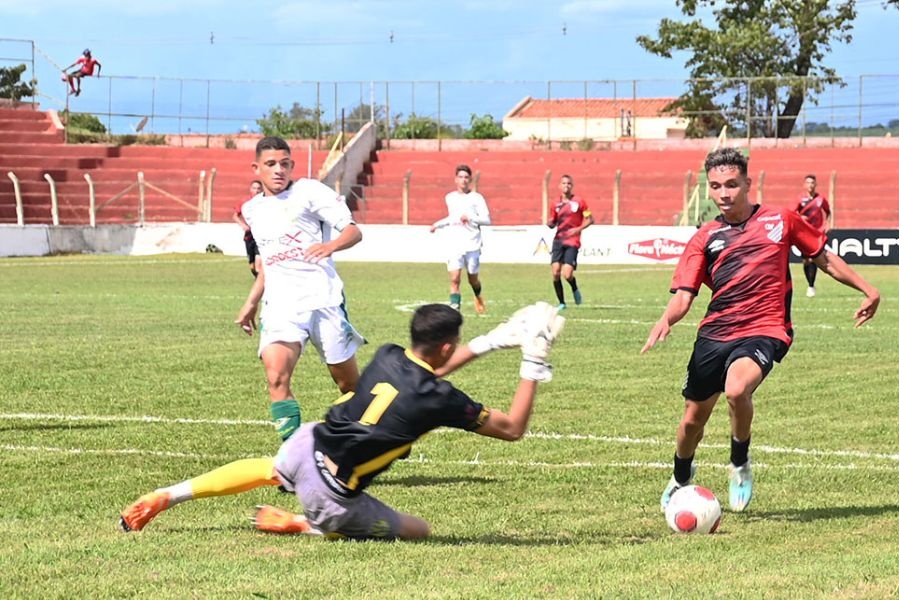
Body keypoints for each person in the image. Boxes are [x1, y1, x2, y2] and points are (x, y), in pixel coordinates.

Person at [120, 302, 565, 541]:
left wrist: (492, 341)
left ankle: (170, 494)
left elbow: (434, 369)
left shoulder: (391, 354)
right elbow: (513, 429)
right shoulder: (440, 400)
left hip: (306, 444)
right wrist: (532, 360)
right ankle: (309, 524)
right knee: (417, 529)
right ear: (448, 347)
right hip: (330, 495)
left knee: (269, 468)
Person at [641, 148, 880, 514]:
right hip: (715, 334)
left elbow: (824, 259)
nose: (724, 193)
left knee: (737, 389)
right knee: (692, 421)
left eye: (732, 184)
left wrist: (868, 289)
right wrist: (666, 319)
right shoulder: (704, 237)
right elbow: (684, 296)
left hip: (766, 328)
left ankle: (739, 462)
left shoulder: (781, 221)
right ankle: (680, 478)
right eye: (716, 186)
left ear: (748, 183)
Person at [235, 136, 364, 442]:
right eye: (271, 164)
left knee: (348, 386)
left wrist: (330, 245)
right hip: (281, 306)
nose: (279, 170)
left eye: (285, 164)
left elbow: (354, 231)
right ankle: (291, 462)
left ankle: (381, 430)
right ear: (256, 168)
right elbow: (268, 263)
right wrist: (251, 302)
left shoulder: (308, 192)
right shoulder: (252, 210)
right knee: (276, 376)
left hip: (323, 300)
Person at [429, 164, 491, 314]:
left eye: (466, 177)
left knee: (472, 279)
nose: (463, 180)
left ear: (470, 180)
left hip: (472, 244)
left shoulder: (477, 198)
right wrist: (437, 224)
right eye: (460, 177)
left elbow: (487, 220)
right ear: (455, 179)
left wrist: (470, 217)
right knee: (455, 278)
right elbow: (452, 218)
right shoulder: (450, 198)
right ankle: (455, 309)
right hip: (454, 244)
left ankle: (477, 295)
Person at [547, 174, 594, 310]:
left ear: (571, 186)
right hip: (558, 240)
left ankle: (574, 287)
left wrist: (578, 229)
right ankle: (562, 303)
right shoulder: (555, 204)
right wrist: (550, 223)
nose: (566, 186)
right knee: (555, 272)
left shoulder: (579, 202)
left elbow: (590, 219)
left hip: (572, 241)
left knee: (567, 274)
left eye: (568, 183)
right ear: (559, 186)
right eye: (563, 183)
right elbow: (553, 222)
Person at [790, 174, 832, 297]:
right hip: (804, 233)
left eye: (812, 183)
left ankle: (811, 285)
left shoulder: (821, 199)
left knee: (814, 258)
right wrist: (799, 217)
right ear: (804, 185)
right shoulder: (800, 199)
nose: (810, 185)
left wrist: (827, 224)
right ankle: (810, 283)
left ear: (816, 185)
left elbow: (828, 211)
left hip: (817, 233)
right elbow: (792, 213)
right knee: (806, 260)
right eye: (808, 183)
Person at [234, 180, 264, 278]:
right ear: (250, 189)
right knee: (252, 266)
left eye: (259, 188)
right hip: (249, 237)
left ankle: (262, 286)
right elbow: (235, 216)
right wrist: (243, 225)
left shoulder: (265, 201)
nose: (256, 191)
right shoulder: (245, 202)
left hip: (261, 237)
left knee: (259, 263)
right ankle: (258, 280)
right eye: (254, 188)